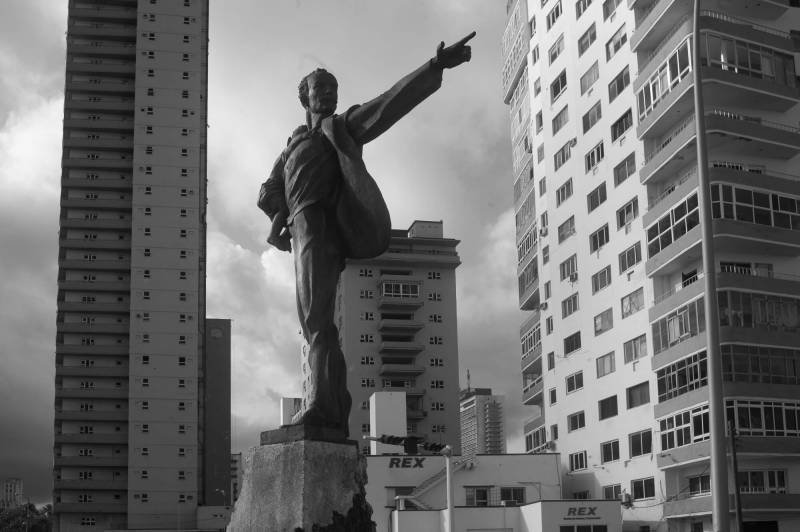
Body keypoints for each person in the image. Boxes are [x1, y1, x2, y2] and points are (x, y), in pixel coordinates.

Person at [258, 32, 476, 436]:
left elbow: (388, 104)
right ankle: (332, 405)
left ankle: (321, 407)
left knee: (316, 320)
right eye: (319, 89)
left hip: (321, 228)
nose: (328, 94)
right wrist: (278, 217)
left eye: (333, 89)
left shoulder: (340, 128)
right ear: (303, 97)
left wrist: (434, 68)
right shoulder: (292, 143)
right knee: (314, 324)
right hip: (301, 230)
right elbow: (269, 189)